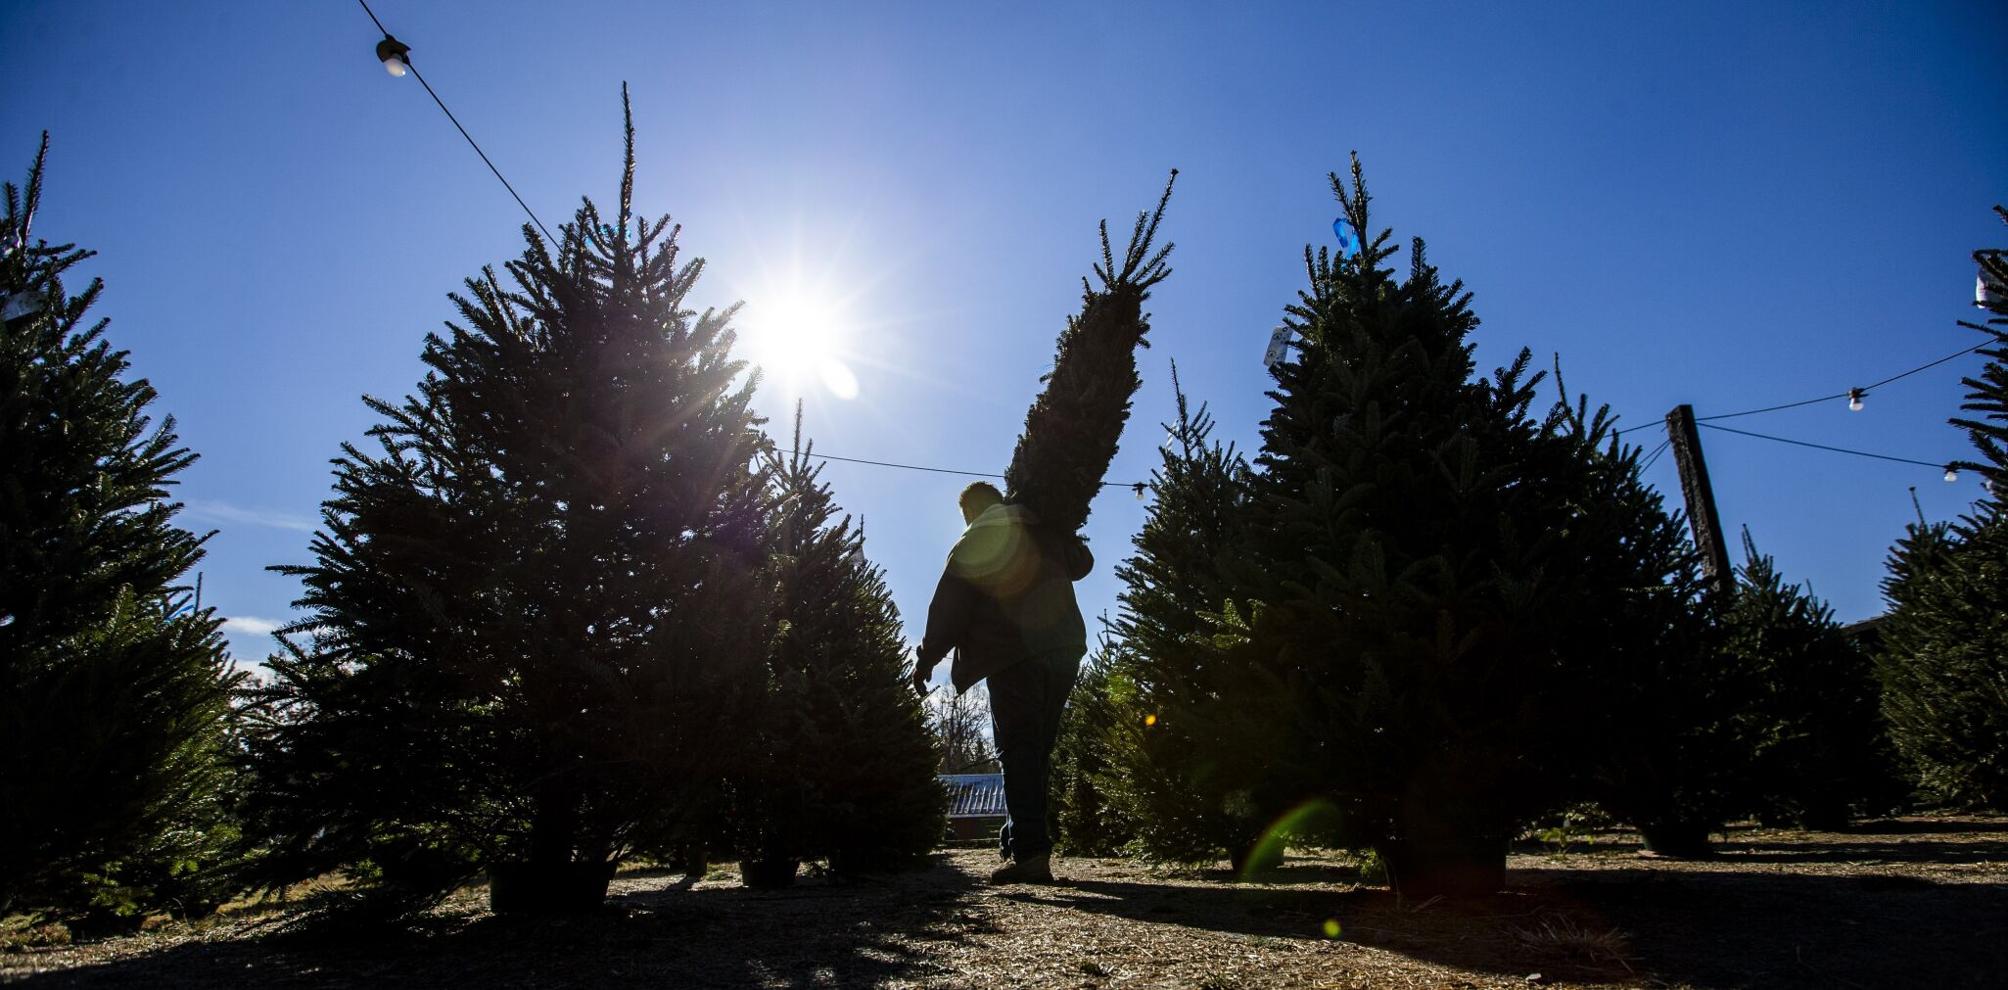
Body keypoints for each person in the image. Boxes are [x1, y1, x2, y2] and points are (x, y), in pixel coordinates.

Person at [912, 481, 1092, 884]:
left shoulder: (977, 538)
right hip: (1065, 648)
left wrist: (925, 661)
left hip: (1014, 655)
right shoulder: (1040, 528)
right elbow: (1082, 562)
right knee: (1036, 749)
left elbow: (949, 610)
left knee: (1018, 748)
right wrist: (1062, 528)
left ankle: (1030, 853)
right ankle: (1019, 843)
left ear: (971, 512)